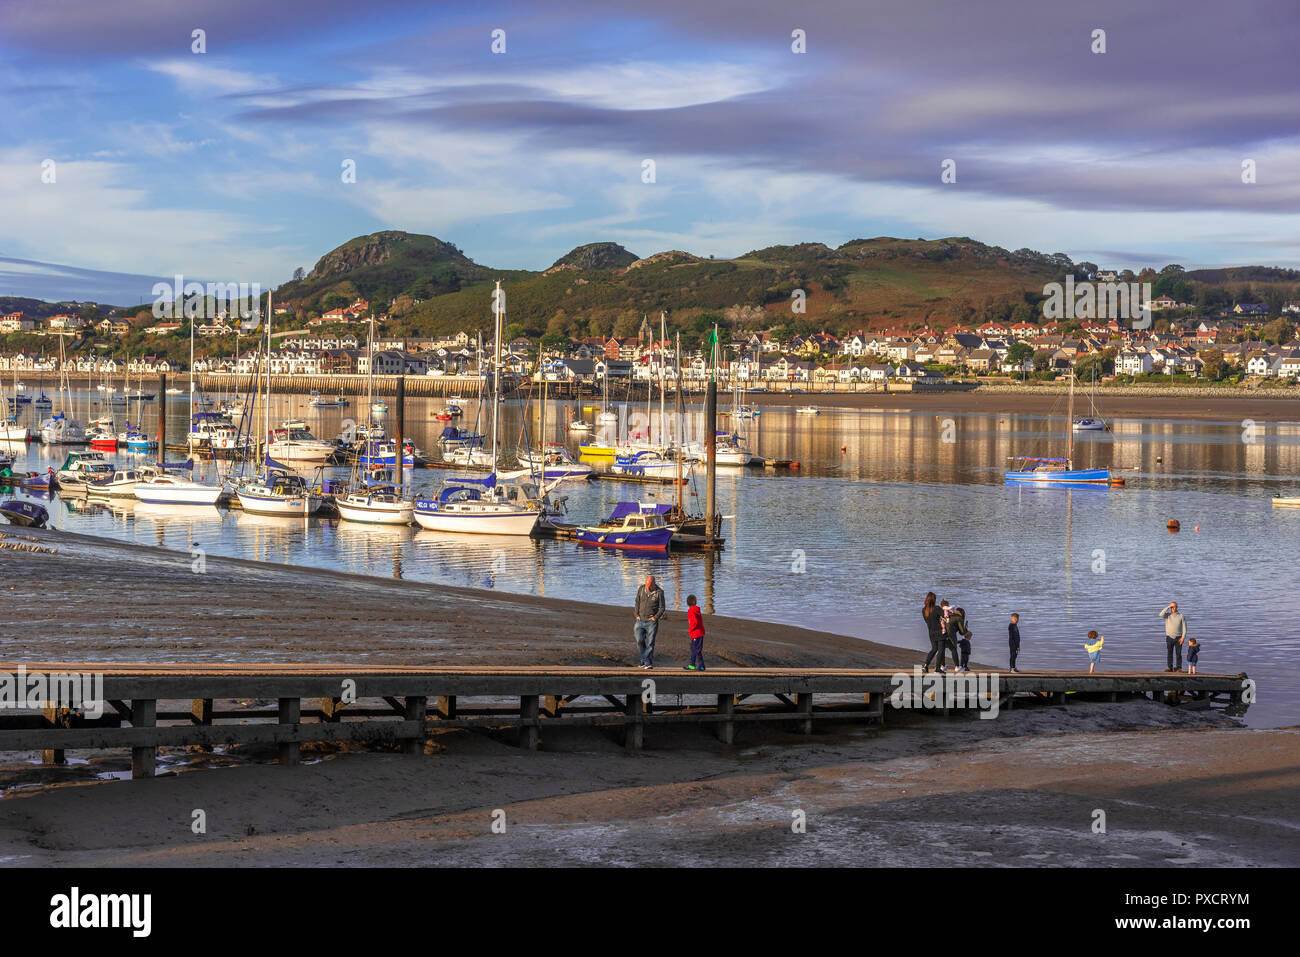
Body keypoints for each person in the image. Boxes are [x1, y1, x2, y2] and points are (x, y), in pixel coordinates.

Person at [633, 574, 666, 669]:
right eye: (646, 585)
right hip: (640, 620)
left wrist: (655, 617)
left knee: (650, 642)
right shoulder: (641, 589)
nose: (647, 587)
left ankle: (647, 662)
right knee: (639, 640)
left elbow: (662, 607)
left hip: (651, 621)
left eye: (649, 585)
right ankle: (644, 660)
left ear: (653, 584)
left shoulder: (659, 592)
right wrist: (636, 615)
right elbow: (637, 602)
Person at [922, 592, 947, 673]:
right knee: (941, 650)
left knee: (934, 649)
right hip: (940, 632)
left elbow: (927, 621)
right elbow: (945, 616)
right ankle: (937, 668)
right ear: (934, 600)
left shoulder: (924, 610)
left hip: (931, 632)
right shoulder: (936, 608)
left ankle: (925, 665)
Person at [1160, 601, 1186, 672]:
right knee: (1169, 653)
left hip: (1179, 638)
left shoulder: (1181, 616)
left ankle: (1179, 668)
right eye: (1172, 607)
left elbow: (1184, 628)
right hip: (1169, 637)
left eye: (1175, 606)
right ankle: (1170, 668)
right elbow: (1160, 614)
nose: (1174, 608)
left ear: (1177, 607)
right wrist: (1168, 607)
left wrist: (1183, 637)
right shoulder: (1167, 615)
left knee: (1178, 654)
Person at [948, 606, 973, 672]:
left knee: (940, 649)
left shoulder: (950, 616)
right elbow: (962, 632)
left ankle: (941, 666)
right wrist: (966, 629)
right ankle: (957, 666)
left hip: (942, 633)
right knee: (954, 649)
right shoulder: (959, 618)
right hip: (951, 635)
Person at [685, 594, 705, 671]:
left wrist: (690, 629)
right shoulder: (697, 610)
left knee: (696, 650)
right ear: (695, 602)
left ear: (687, 603)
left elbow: (695, 622)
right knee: (694, 649)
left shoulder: (691, 610)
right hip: (699, 633)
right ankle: (692, 665)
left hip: (696, 633)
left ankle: (701, 665)